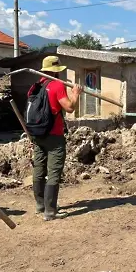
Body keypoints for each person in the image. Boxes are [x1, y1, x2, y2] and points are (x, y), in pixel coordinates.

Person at [30, 56, 83, 221]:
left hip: (37, 134)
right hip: (54, 136)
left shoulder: (35, 86)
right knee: (53, 172)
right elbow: (69, 108)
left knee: (39, 169)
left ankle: (40, 205)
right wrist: (75, 94)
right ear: (55, 70)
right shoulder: (57, 85)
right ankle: (50, 211)